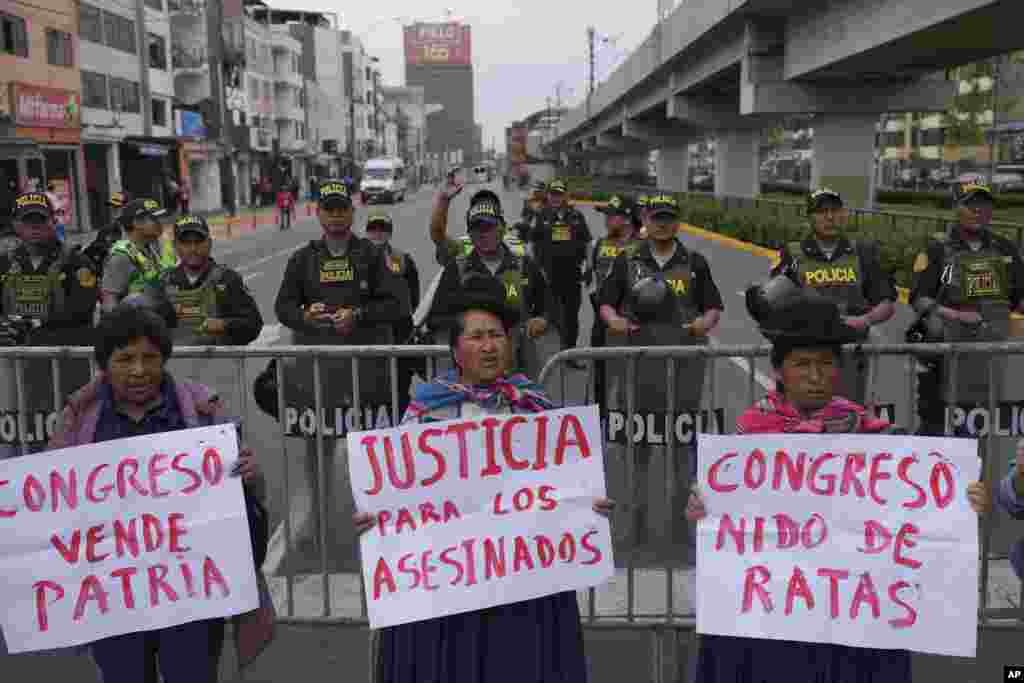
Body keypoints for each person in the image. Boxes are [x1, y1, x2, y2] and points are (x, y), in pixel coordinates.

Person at [685, 275, 989, 683]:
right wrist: (702, 509)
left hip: (854, 616)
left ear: (839, 368)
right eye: (802, 365)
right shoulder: (748, 438)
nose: (815, 375)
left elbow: (919, 514)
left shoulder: (873, 436)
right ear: (779, 371)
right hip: (776, 614)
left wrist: (962, 502)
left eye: (825, 364)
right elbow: (725, 528)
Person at [352, 274, 615, 683]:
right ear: (456, 350)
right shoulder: (424, 412)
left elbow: (564, 489)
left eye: (496, 335)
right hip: (447, 586)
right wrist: (375, 516)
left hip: (522, 585)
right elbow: (395, 492)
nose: (489, 346)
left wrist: (588, 505)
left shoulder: (534, 408)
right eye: (476, 337)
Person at [46, 304, 272, 683]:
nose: (138, 370)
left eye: (150, 357)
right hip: (113, 597)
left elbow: (248, 494)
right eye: (125, 358)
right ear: (104, 364)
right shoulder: (79, 420)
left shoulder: (204, 412)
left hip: (192, 595)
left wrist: (251, 474)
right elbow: (52, 503)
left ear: (164, 360)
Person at [274, 178, 402, 549]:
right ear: (318, 214)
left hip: (367, 373)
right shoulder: (302, 259)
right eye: (328, 208)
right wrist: (305, 317)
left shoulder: (374, 256)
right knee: (317, 449)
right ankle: (316, 518)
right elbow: (282, 308)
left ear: (352, 211)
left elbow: (397, 305)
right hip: (318, 373)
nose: (335, 215)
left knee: (373, 450)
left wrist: (357, 316)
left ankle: (380, 519)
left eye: (341, 207)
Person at [598, 193, 724, 545]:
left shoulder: (695, 262)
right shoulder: (627, 260)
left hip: (683, 368)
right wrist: (615, 321)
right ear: (646, 220)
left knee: (682, 447)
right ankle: (634, 519)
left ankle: (680, 520)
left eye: (669, 217)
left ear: (677, 222)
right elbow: (606, 303)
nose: (663, 224)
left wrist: (704, 323)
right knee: (637, 447)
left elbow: (714, 307)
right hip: (638, 368)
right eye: (657, 217)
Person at [910, 181, 1024, 436]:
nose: (978, 211)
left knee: (981, 432)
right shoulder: (937, 247)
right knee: (938, 428)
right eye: (970, 204)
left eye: (983, 205)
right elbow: (919, 298)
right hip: (946, 357)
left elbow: (1019, 297)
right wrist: (956, 315)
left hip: (991, 356)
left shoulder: (1005, 248)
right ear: (956, 207)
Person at [772, 188, 896, 405]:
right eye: (821, 211)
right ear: (810, 216)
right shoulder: (792, 254)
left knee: (846, 420)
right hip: (803, 356)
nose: (829, 217)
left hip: (848, 354)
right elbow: (772, 302)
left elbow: (886, 302)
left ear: (844, 214)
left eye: (835, 210)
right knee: (802, 424)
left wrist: (865, 320)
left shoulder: (862, 253)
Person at [0, 192, 99, 455]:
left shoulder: (77, 262)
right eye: (28, 221)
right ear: (16, 225)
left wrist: (32, 326)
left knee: (70, 437)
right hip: (15, 369)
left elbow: (82, 312)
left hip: (66, 367)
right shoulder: (4, 264)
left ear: (52, 222)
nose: (35, 227)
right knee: (22, 439)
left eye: (40, 220)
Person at [428, 180, 552, 377]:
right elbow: (437, 319)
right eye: (477, 228)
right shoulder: (456, 269)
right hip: (471, 377)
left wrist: (541, 320)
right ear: (469, 233)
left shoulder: (524, 265)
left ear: (502, 227)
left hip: (518, 373)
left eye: (489, 226)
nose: (483, 233)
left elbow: (547, 306)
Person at [529, 178, 591, 368]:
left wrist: (589, 266)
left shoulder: (576, 216)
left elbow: (587, 241)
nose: (556, 198)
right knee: (551, 317)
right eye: (553, 194)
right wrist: (536, 270)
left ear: (565, 196)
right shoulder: (541, 216)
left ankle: (569, 355)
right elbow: (532, 244)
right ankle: (552, 357)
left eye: (559, 194)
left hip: (572, 275)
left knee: (572, 317)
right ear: (548, 196)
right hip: (549, 276)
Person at [587, 194, 641, 408]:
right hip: (602, 324)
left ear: (627, 219)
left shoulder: (645, 247)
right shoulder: (600, 244)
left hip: (634, 325)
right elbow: (594, 281)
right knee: (601, 380)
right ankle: (600, 423)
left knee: (635, 381)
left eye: (611, 215)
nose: (606, 220)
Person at [365, 209, 421, 413]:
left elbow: (414, 298)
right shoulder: (355, 260)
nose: (378, 233)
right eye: (373, 229)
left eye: (383, 229)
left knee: (399, 389)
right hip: (368, 335)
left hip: (399, 334)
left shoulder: (402, 259)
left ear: (390, 233)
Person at [101, 198, 171, 313]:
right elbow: (109, 303)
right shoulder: (121, 257)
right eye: (154, 219)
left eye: (160, 218)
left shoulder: (149, 248)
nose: (160, 223)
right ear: (137, 223)